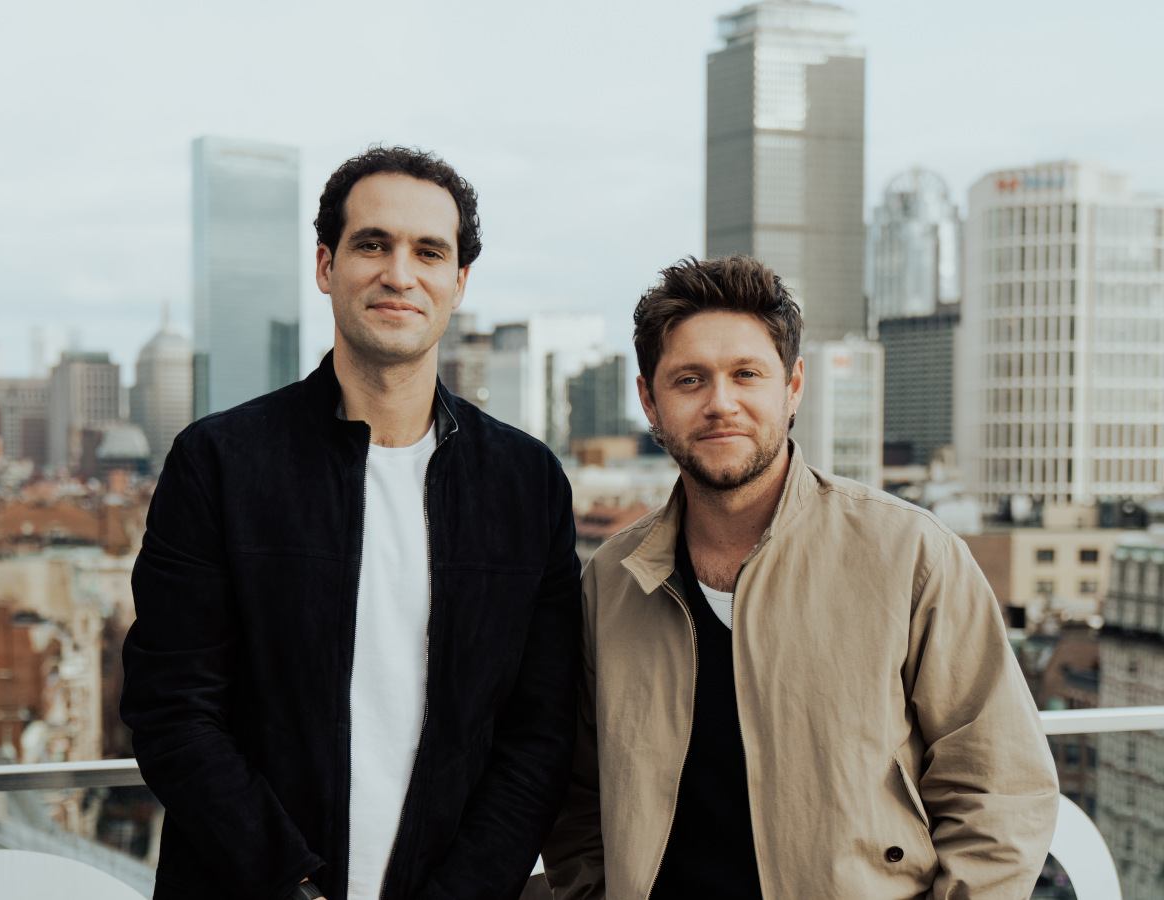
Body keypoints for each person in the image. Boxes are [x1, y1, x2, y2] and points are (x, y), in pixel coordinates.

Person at [121, 146, 581, 900]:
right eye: (373, 244)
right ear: (326, 266)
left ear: (458, 282)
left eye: (429, 251)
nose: (400, 273)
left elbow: (539, 737)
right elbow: (172, 710)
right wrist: (290, 883)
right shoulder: (219, 462)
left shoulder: (526, 485)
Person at [543, 255, 1058, 899]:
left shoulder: (909, 555)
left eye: (746, 375)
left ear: (793, 387)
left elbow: (1000, 788)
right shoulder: (610, 582)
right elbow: (576, 796)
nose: (720, 404)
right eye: (690, 380)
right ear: (650, 399)